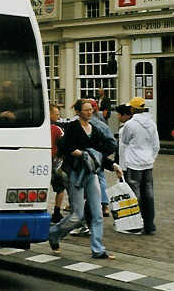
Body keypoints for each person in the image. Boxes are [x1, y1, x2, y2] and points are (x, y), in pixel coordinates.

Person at [48, 99, 123, 259]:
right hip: (76, 174)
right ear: (78, 112)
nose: (90, 112)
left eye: (91, 110)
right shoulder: (72, 128)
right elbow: (64, 146)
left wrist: (113, 165)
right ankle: (54, 234)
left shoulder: (94, 129)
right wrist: (79, 153)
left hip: (91, 173)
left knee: (97, 213)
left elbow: (98, 155)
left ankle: (98, 249)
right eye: (86, 110)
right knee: (77, 215)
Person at [116, 99, 160, 235]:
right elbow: (156, 144)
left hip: (133, 162)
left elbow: (124, 143)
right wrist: (151, 158)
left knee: (134, 194)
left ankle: (135, 224)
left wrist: (122, 165)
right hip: (147, 163)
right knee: (149, 193)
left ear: (132, 110)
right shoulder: (151, 123)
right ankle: (149, 224)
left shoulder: (130, 125)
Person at [49, 104, 67, 223]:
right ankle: (56, 211)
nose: (58, 116)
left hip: (41, 160)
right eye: (57, 114)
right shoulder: (57, 129)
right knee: (60, 188)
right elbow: (64, 144)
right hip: (55, 162)